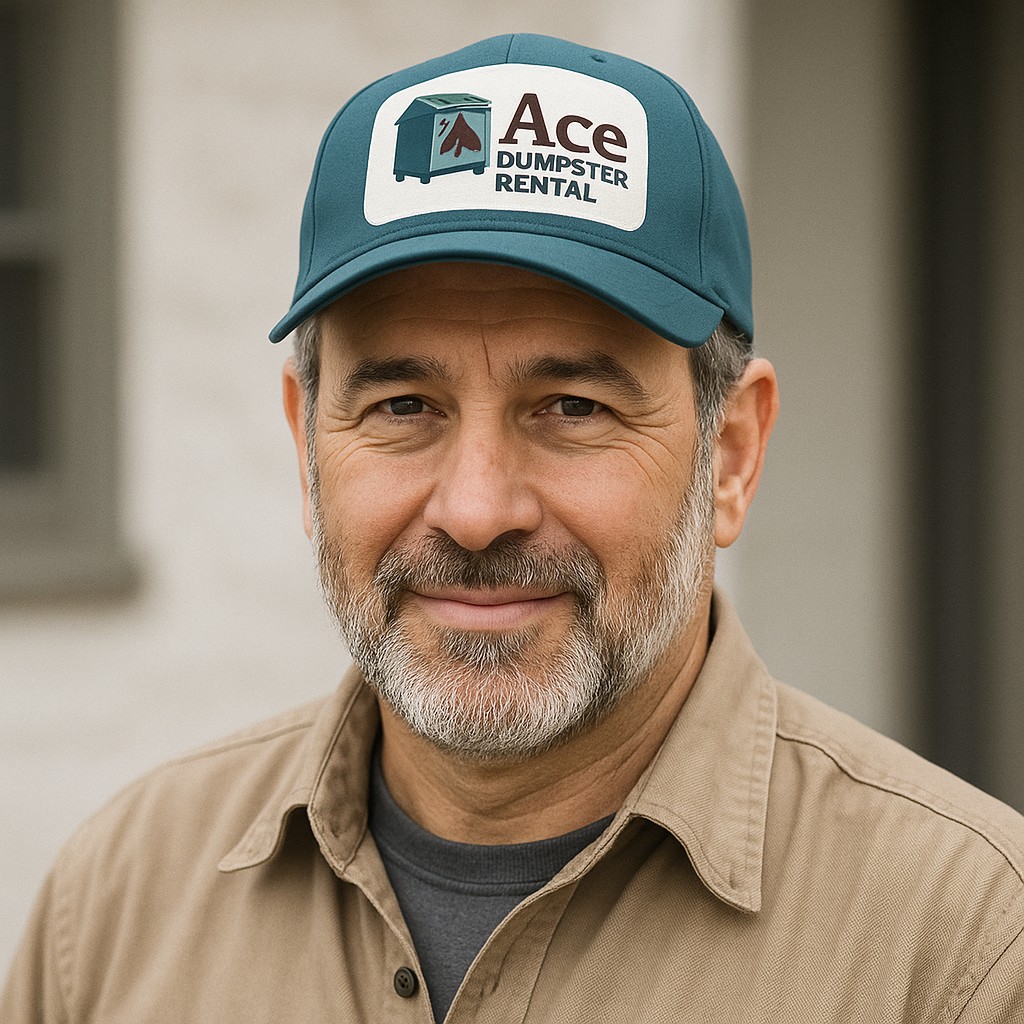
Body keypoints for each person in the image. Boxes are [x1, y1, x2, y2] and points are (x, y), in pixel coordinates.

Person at [4, 33, 1023, 1024]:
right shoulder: (117, 908)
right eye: (403, 405)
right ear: (307, 447)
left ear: (731, 453)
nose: (478, 510)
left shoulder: (962, 949)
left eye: (572, 406)